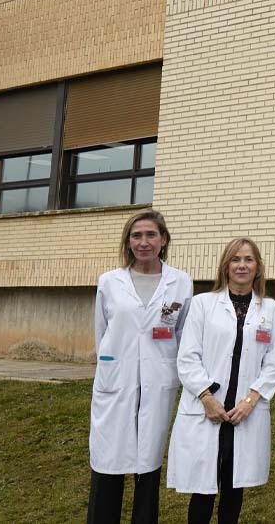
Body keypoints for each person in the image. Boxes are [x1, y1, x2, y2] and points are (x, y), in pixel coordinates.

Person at [167, 237, 275, 524]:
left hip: (242, 412)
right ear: (225, 266)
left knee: (233, 489)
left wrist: (250, 401)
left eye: (248, 259)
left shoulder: (270, 309)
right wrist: (206, 398)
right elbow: (187, 356)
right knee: (202, 490)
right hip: (208, 409)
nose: (242, 265)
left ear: (258, 267)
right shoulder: (203, 304)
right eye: (235, 259)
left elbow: (273, 364)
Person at [88, 209, 194, 524]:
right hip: (115, 382)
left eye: (150, 235)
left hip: (158, 381)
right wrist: (109, 367)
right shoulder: (110, 281)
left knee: (148, 466)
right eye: (136, 236)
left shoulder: (180, 282)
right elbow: (102, 333)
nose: (143, 242)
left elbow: (183, 334)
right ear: (128, 241)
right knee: (107, 463)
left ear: (164, 240)